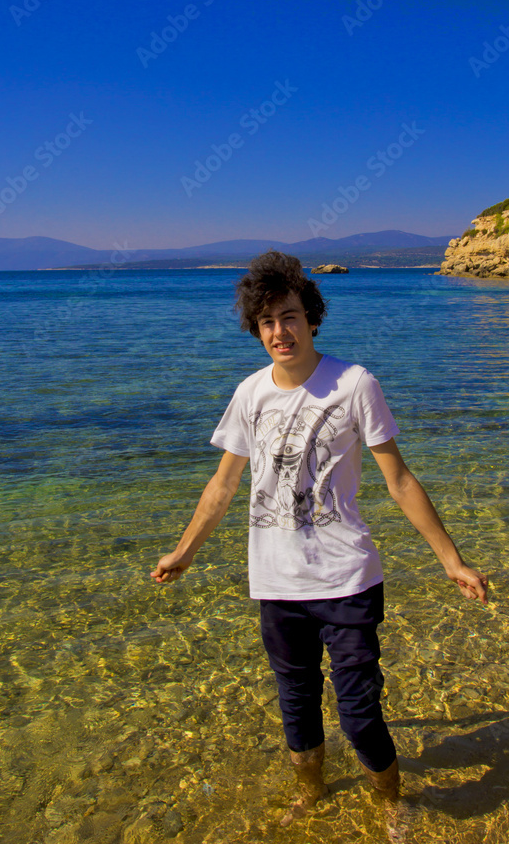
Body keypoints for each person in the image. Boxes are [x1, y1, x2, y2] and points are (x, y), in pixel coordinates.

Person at [151, 250, 488, 834]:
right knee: (297, 707)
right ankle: (311, 797)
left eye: (289, 317)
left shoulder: (355, 384)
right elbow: (223, 485)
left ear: (311, 318)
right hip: (276, 584)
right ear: (255, 330)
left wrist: (450, 560)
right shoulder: (250, 394)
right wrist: (185, 551)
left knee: (359, 714)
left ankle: (390, 801)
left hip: (348, 578)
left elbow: (399, 479)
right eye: (266, 322)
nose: (279, 332)